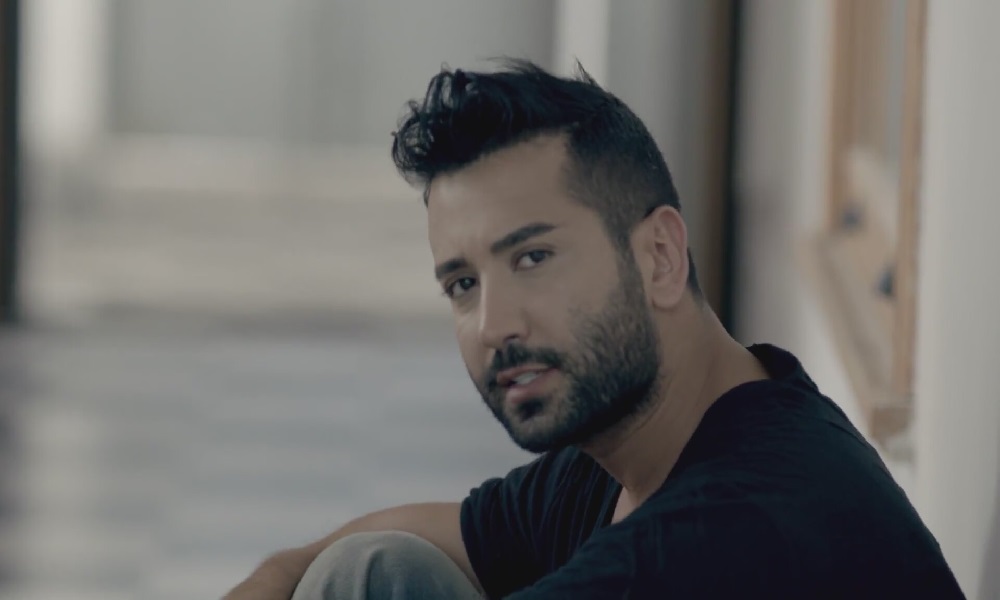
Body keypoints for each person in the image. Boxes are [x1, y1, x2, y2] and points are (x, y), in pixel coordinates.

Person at [225, 60, 962, 599]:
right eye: (463, 284)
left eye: (533, 258)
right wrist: (274, 574)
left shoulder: (728, 533)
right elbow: (409, 538)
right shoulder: (644, 443)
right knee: (371, 571)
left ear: (659, 257)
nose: (495, 325)